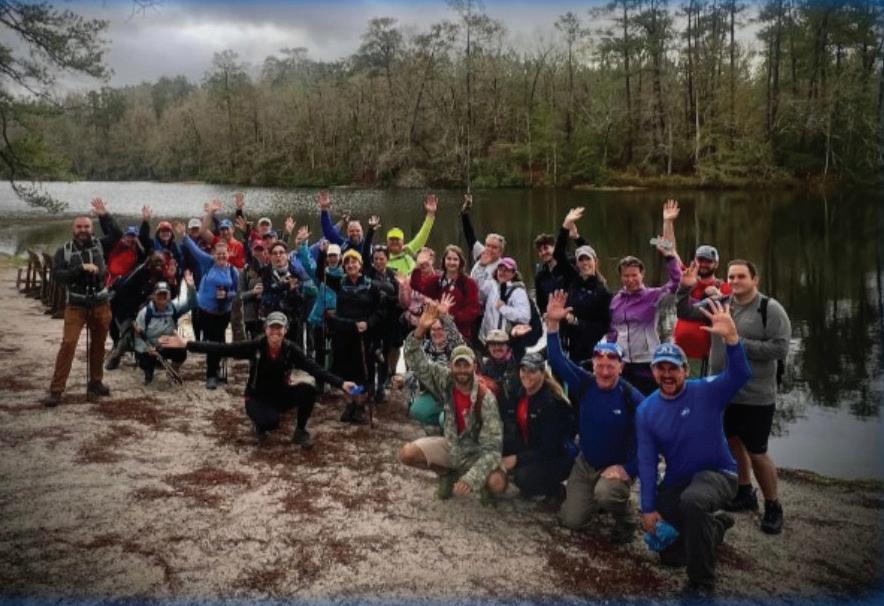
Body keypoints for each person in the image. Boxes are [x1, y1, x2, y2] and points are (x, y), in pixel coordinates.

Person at [636, 300, 751, 596]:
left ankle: (701, 584)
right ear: (653, 371)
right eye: (661, 368)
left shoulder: (707, 391)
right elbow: (647, 462)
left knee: (693, 501)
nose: (667, 374)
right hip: (680, 479)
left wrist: (732, 340)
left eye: (673, 368)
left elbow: (740, 375)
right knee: (671, 556)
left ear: (686, 370)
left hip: (719, 473)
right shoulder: (646, 411)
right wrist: (648, 508)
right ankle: (715, 527)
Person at [677, 259, 791, 535]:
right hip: (721, 392)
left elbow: (780, 348)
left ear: (755, 280)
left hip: (755, 394)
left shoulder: (769, 309)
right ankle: (744, 491)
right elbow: (684, 312)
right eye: (731, 276)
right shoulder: (720, 303)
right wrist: (684, 288)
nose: (736, 281)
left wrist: (735, 340)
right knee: (732, 442)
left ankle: (773, 505)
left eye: (741, 276)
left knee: (757, 451)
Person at [160, 312, 357, 448]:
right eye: (272, 328)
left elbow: (315, 369)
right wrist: (187, 344)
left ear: (286, 330)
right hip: (257, 397)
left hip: (280, 394)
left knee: (309, 390)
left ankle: (300, 432)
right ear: (265, 329)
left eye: (279, 328)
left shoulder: (291, 350)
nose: (275, 331)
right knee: (270, 423)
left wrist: (341, 383)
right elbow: (222, 348)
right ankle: (259, 423)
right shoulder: (255, 346)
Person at [545, 290, 644, 544]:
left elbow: (650, 443)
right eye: (600, 365)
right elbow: (556, 360)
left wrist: (629, 469)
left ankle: (626, 518)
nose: (605, 371)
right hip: (585, 462)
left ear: (621, 367)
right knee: (572, 521)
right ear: (593, 365)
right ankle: (593, 501)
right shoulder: (586, 383)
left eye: (611, 366)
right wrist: (553, 323)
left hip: (615, 467)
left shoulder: (632, 398)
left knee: (607, 493)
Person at [399, 302, 507, 503]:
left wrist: (471, 478)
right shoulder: (445, 379)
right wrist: (420, 329)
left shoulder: (486, 397)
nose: (462, 370)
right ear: (451, 366)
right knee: (407, 453)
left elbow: (493, 449)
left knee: (498, 483)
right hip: (452, 446)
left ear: (475, 367)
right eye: (458, 365)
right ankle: (447, 473)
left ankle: (483, 485)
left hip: (477, 452)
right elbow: (415, 360)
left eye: (467, 365)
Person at [42, 199, 117, 406]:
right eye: (79, 227)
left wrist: (104, 215)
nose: (83, 230)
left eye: (86, 227)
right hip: (76, 306)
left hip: (100, 304)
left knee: (99, 345)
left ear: (91, 228)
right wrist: (80, 268)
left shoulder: (100, 244)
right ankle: (56, 391)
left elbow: (117, 235)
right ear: (73, 229)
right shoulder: (64, 251)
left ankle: (96, 382)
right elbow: (58, 276)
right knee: (68, 344)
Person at [609, 201, 683, 394]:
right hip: (623, 363)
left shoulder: (654, 296)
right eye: (626, 276)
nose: (630, 279)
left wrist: (669, 257)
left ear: (642, 274)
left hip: (648, 362)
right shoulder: (616, 301)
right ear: (621, 277)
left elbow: (677, 282)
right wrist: (611, 354)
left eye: (634, 275)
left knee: (650, 402)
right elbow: (612, 332)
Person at [318, 248, 390, 423]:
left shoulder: (371, 286)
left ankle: (360, 405)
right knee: (345, 371)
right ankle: (349, 404)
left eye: (354, 262)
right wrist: (321, 253)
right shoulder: (339, 283)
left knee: (363, 373)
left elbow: (381, 310)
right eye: (347, 262)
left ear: (361, 265)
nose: (350, 265)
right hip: (343, 334)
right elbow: (320, 274)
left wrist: (368, 323)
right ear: (343, 266)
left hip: (364, 337)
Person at [498, 352, 576, 501]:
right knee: (499, 446)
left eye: (532, 371)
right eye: (523, 370)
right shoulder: (521, 394)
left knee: (523, 478)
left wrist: (517, 459)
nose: (526, 375)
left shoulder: (551, 403)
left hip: (557, 456)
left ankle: (555, 489)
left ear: (542, 372)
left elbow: (549, 448)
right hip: (532, 446)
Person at [555, 207, 612, 366]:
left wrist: (575, 321)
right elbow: (558, 254)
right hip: (567, 345)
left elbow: (603, 326)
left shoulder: (603, 291)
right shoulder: (573, 279)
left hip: (589, 350)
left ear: (595, 262)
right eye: (581, 260)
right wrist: (566, 227)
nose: (585, 263)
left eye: (588, 259)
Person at [181, 235, 239, 390]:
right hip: (206, 312)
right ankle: (211, 375)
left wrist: (226, 295)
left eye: (224, 253)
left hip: (223, 313)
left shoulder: (233, 271)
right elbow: (195, 251)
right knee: (213, 342)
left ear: (228, 254)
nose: (221, 256)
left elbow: (236, 293)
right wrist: (184, 237)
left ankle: (216, 370)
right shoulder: (208, 264)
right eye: (218, 253)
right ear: (214, 254)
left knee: (219, 341)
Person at [405, 294, 464, 427]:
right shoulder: (426, 346)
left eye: (440, 329)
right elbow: (417, 366)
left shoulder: (456, 346)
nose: (436, 332)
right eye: (432, 329)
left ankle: (451, 427)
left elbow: (455, 337)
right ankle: (440, 427)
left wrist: (444, 316)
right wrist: (404, 379)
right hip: (436, 393)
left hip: (456, 394)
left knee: (446, 419)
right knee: (417, 410)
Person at [673, 245, 732, 376]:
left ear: (716, 264)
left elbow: (731, 311)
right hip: (678, 353)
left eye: (708, 261)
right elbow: (672, 255)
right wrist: (668, 225)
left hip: (702, 356)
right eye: (701, 260)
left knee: (697, 387)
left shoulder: (724, 287)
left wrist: (719, 296)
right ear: (695, 261)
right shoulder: (687, 279)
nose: (704, 264)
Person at [410, 244, 481, 343]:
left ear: (460, 262)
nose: (452, 262)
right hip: (438, 333)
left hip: (460, 333)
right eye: (449, 259)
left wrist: (449, 316)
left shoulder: (469, 283)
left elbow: (473, 310)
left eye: (455, 259)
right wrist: (418, 265)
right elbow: (418, 285)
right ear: (444, 261)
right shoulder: (438, 280)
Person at [133, 276, 195, 384]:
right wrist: (146, 349)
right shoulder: (144, 313)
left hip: (167, 345)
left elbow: (192, 303)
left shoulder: (174, 308)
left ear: (169, 296)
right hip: (150, 347)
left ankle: (173, 370)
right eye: (159, 295)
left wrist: (191, 288)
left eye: (165, 295)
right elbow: (137, 336)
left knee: (181, 350)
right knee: (144, 360)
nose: (162, 298)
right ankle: (148, 373)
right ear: (154, 296)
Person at [459, 193, 505, 307]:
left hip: (486, 308)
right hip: (471, 303)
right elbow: (470, 236)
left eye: (494, 247)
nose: (489, 249)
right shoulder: (482, 253)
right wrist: (465, 213)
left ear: (500, 252)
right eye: (488, 245)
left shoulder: (502, 268)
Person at [478, 257, 530, 344]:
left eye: (506, 270)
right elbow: (477, 284)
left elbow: (524, 317)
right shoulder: (492, 286)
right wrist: (481, 266)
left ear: (513, 273)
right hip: (488, 339)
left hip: (506, 341)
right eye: (500, 269)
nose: (502, 273)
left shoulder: (518, 292)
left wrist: (503, 308)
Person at [384, 194, 438, 275]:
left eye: (397, 239)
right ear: (387, 242)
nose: (394, 242)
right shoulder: (381, 256)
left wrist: (430, 214)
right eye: (392, 239)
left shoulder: (408, 251)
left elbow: (422, 235)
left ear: (402, 241)